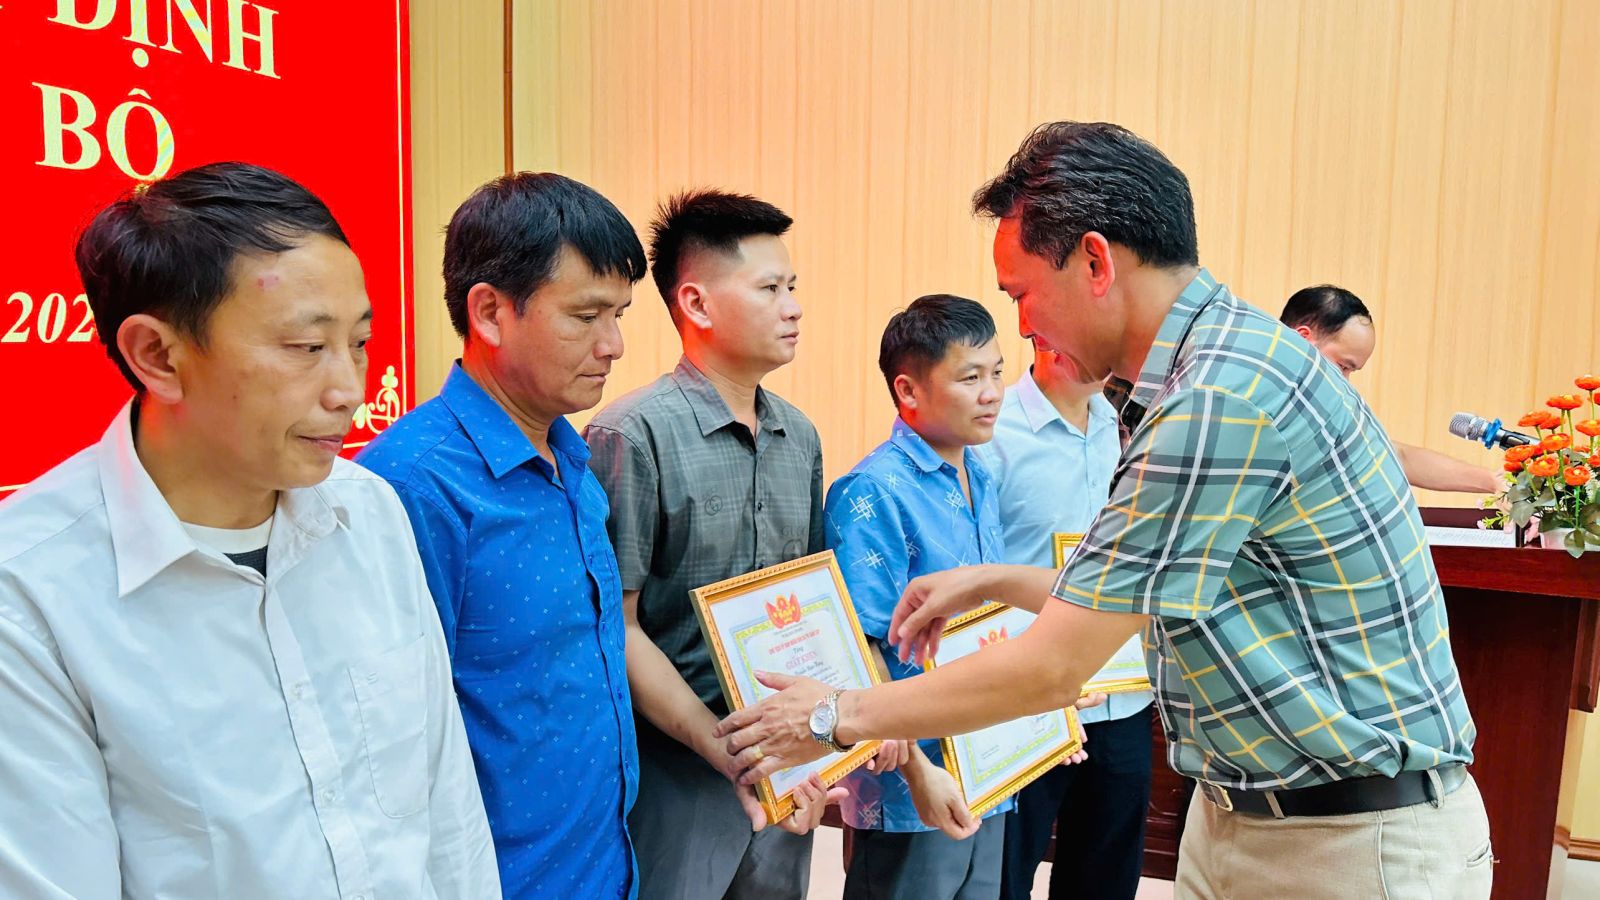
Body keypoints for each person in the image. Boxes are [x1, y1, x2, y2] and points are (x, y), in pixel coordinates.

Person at [716, 121, 1492, 899]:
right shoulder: (1219, 366)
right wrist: (991, 581)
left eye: (1021, 294)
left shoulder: (1214, 401)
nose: (1024, 326)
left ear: (1094, 262)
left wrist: (833, 714)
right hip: (1259, 812)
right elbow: (1128, 592)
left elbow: (1054, 665)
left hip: (1345, 840)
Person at [0, 162, 498, 898]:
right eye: (306, 348)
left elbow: (446, 809)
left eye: (360, 342)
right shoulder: (31, 595)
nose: (349, 390)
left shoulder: (369, 513)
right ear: (158, 356)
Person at [356, 173, 650, 898]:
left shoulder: (573, 457)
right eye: (585, 316)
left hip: (603, 863)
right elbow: (383, 743)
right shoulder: (411, 486)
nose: (613, 345)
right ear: (490, 312)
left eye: (619, 315)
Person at [584, 189, 835, 900]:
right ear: (695, 304)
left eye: (793, 287)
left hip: (785, 758)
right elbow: (618, 626)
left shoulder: (799, 436)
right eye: (770, 289)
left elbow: (809, 605)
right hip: (677, 769)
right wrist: (722, 747)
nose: (794, 307)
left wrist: (826, 740)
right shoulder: (631, 435)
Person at [827, 294, 1013, 899]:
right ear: (908, 390)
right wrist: (919, 771)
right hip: (913, 780)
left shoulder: (980, 474)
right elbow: (862, 650)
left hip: (988, 761)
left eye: (997, 373)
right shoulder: (871, 490)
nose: (992, 393)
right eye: (970, 378)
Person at [977, 338, 1153, 900]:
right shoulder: (992, 429)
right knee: (1005, 873)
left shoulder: (1127, 424)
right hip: (1027, 697)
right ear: (1048, 333)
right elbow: (975, 568)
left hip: (1121, 694)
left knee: (1106, 877)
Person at [1281, 284, 1501, 494]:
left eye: (1351, 371)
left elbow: (1396, 456)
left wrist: (1493, 481)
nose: (1345, 381)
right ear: (1302, 338)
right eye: (1343, 366)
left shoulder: (1326, 411)